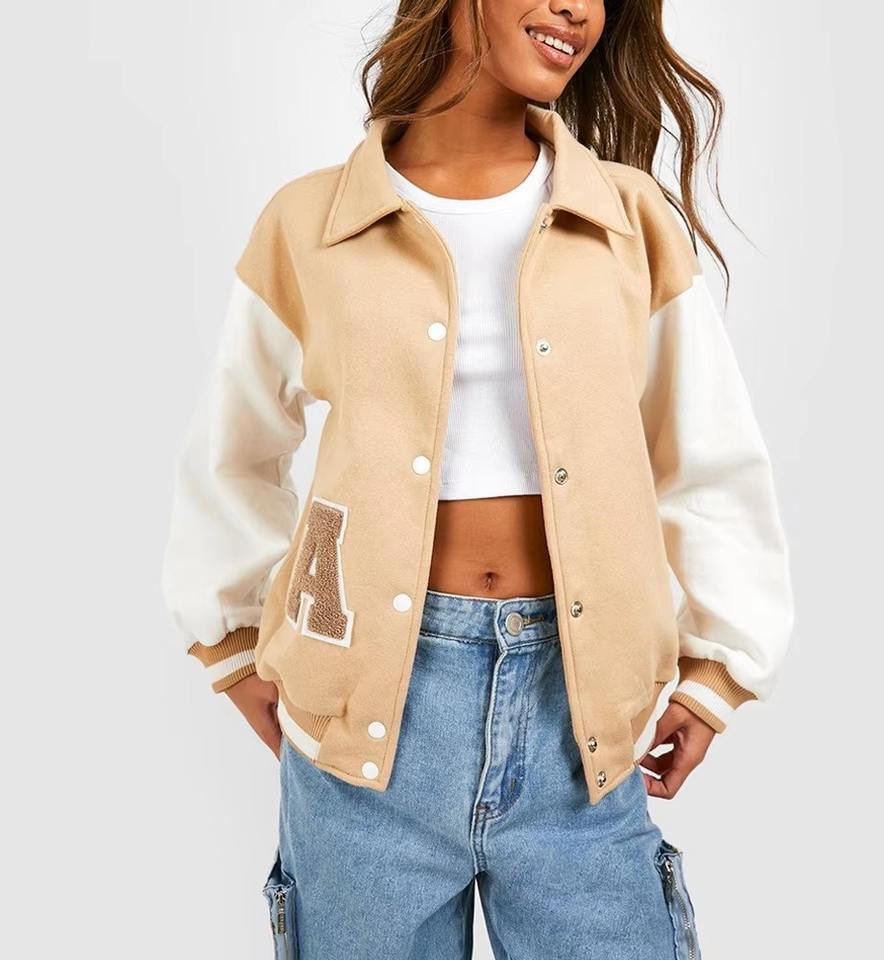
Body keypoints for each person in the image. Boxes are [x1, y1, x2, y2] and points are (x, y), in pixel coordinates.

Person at [161, 1, 794, 957]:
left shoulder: (627, 219)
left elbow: (707, 455)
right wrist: (232, 642)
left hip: (582, 721)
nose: (579, 9)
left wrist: (719, 668)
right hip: (363, 724)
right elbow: (236, 449)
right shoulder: (309, 222)